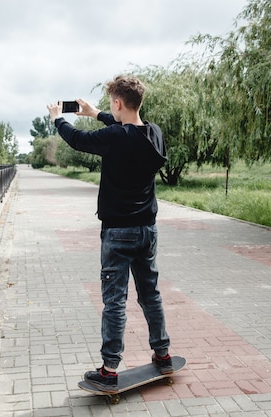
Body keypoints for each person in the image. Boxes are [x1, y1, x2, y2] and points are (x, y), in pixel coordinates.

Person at [46, 75, 172, 393]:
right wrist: (96, 113)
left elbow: (77, 139)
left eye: (112, 105)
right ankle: (163, 353)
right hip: (148, 230)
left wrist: (57, 119)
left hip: (118, 233)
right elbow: (126, 127)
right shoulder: (154, 134)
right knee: (150, 295)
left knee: (114, 301)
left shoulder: (116, 137)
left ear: (118, 102)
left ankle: (110, 369)